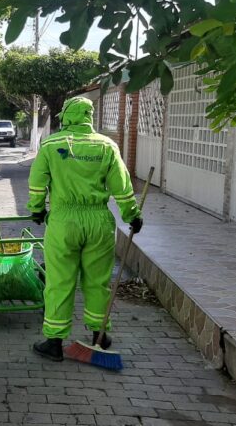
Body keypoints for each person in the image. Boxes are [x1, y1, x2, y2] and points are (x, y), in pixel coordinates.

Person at [26, 97, 143, 361]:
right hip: (99, 222)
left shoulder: (52, 145)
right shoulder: (106, 146)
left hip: (63, 221)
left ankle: (54, 342)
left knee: (59, 282)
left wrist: (36, 209)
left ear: (66, 116)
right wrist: (132, 215)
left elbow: (37, 181)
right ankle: (99, 336)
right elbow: (122, 187)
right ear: (90, 116)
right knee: (98, 282)